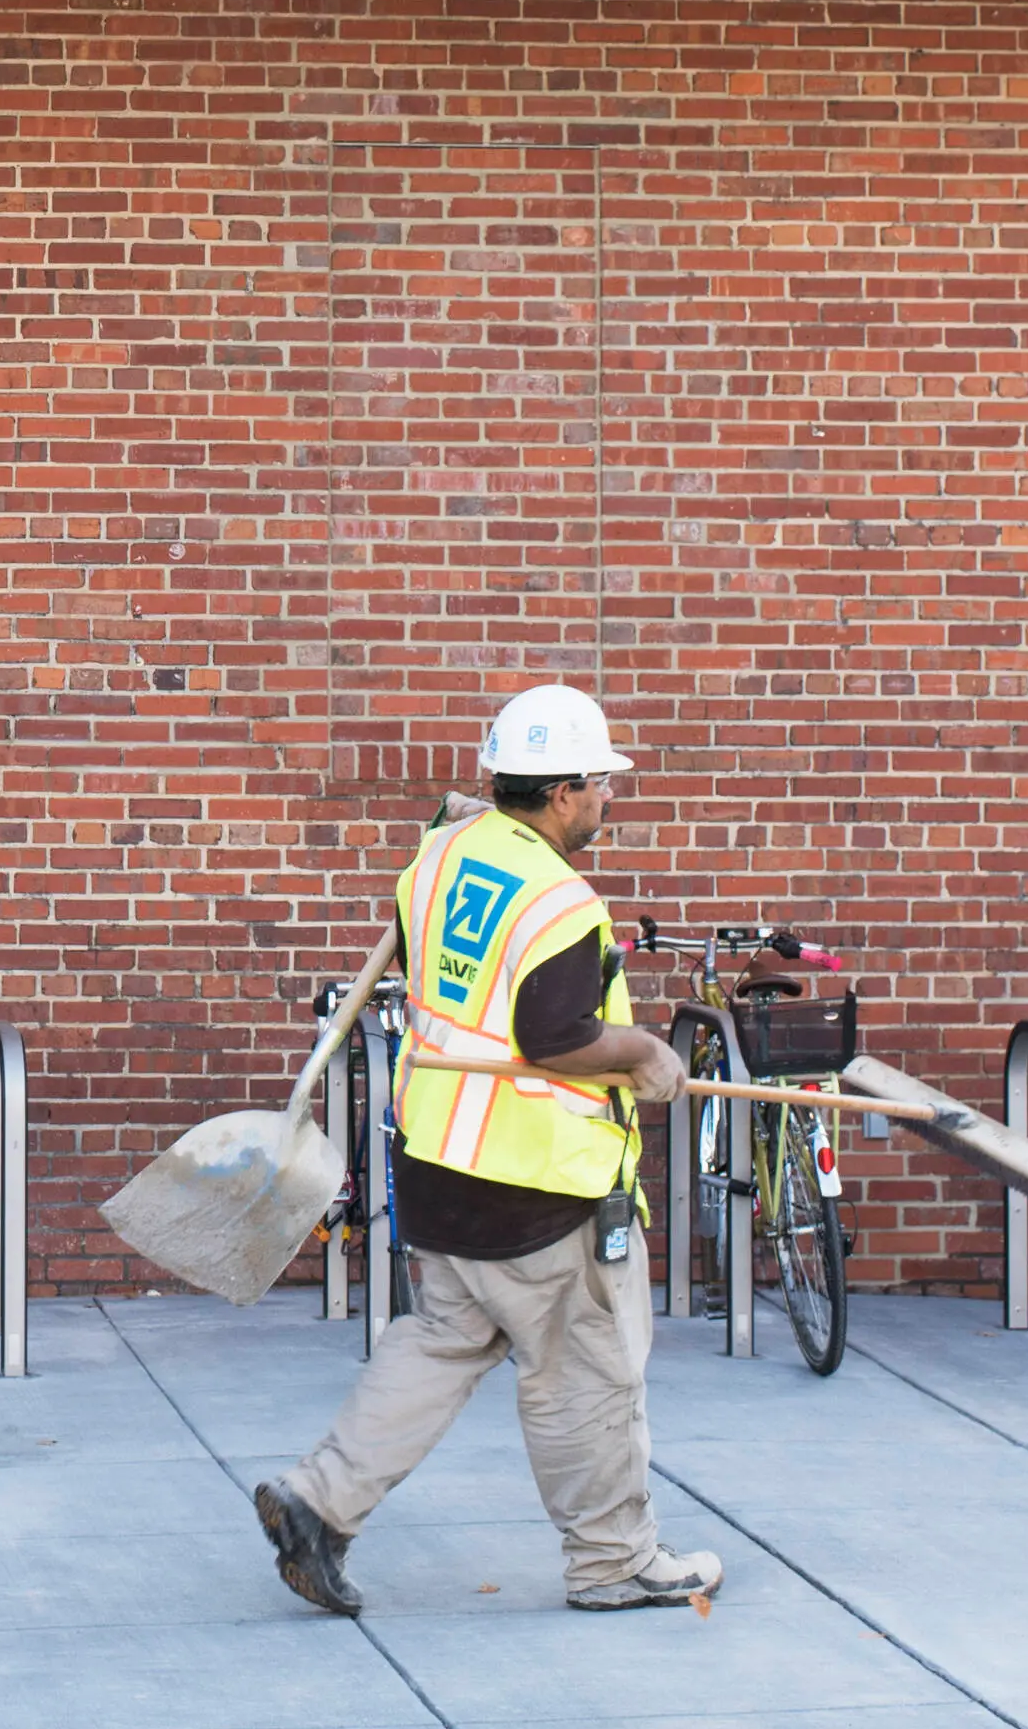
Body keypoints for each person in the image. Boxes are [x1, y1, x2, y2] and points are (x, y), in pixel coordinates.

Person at [251, 681, 723, 1619]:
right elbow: (557, 1039)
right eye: (598, 786)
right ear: (560, 794)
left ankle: (318, 1502)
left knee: (440, 1343)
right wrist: (642, 1052)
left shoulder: (438, 854)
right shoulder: (559, 900)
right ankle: (613, 1561)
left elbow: (455, 867)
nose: (605, 802)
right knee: (588, 1376)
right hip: (537, 1187)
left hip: (440, 1168)